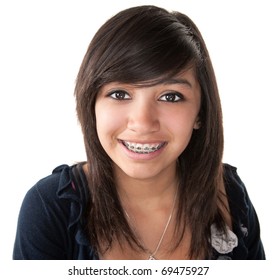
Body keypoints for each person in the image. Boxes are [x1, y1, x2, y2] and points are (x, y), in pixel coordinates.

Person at [13, 5, 265, 260]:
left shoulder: (229, 195)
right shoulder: (50, 208)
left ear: (200, 112)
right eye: (119, 94)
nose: (143, 122)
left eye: (170, 96)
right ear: (92, 105)